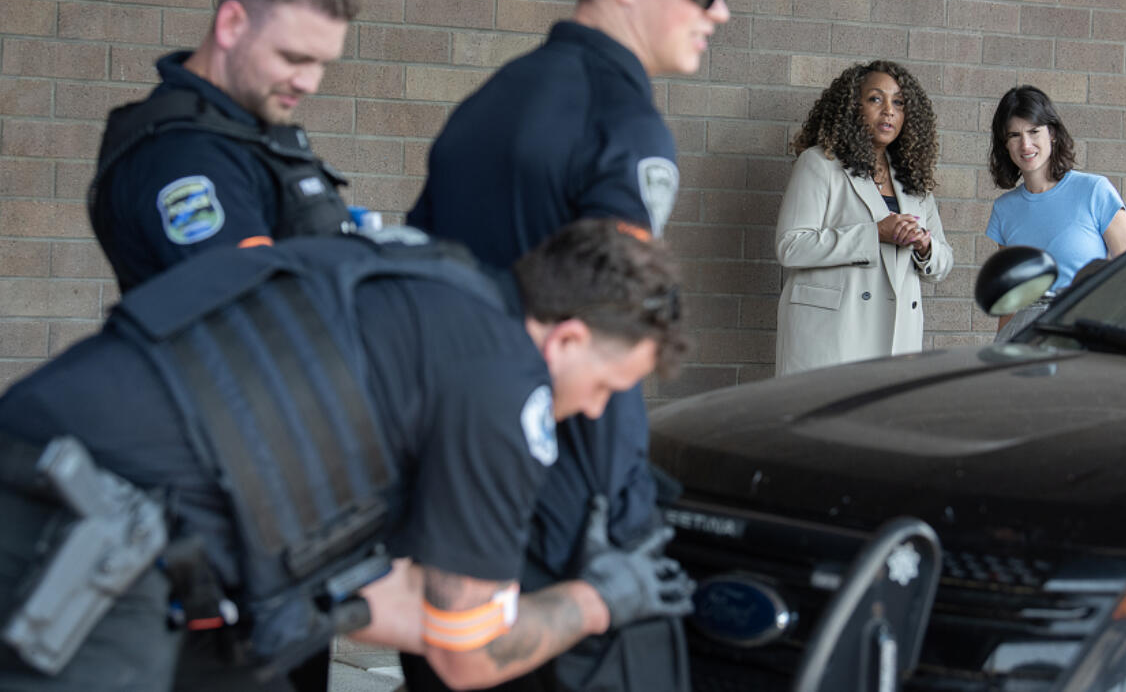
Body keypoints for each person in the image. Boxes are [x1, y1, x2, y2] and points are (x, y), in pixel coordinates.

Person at [0, 219, 693, 692]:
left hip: (65, 477)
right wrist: (599, 600)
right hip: (80, 532)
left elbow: (380, 595)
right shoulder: (506, 385)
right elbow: (467, 654)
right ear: (567, 340)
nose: (598, 410)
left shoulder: (426, 286)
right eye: (608, 385)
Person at [403, 0, 764, 690]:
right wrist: (613, 525)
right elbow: (616, 327)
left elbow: (425, 294)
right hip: (572, 527)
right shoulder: (624, 123)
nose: (720, 10)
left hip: (461, 501)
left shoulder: (485, 105)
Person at [88, 0, 359, 294]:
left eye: (322, 64)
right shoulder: (185, 158)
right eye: (294, 58)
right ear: (231, 25)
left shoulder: (241, 132)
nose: (309, 83)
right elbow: (256, 316)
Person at [774, 60, 953, 376]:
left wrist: (925, 247)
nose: (888, 111)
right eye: (875, 99)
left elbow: (942, 263)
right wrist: (874, 234)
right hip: (834, 335)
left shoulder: (913, 180)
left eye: (898, 102)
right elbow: (791, 246)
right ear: (852, 108)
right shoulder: (819, 164)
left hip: (896, 337)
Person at [986, 85, 1126, 340]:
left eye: (1034, 131)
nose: (1026, 144)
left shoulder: (1094, 191)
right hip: (1027, 340)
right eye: (1014, 135)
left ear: (1052, 133)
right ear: (1005, 145)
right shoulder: (1004, 210)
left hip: (1084, 332)